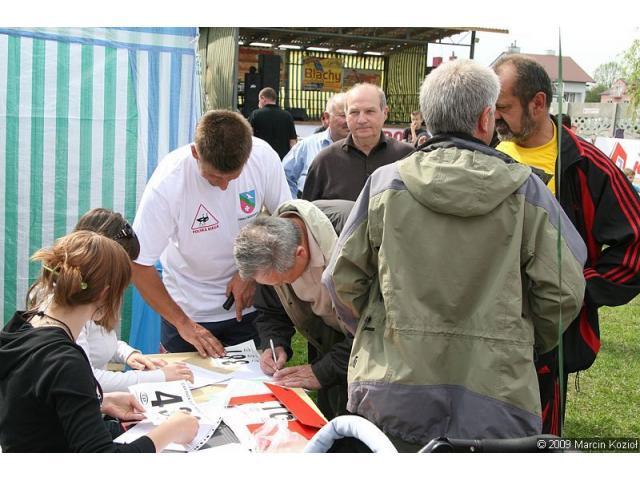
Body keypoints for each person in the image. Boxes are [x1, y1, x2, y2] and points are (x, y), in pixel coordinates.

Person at [322, 59, 587, 452]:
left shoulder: (384, 185)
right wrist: (520, 340)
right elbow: (563, 290)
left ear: (428, 117)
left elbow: (340, 280)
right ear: (485, 118)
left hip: (393, 388)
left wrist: (380, 329)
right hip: (497, 394)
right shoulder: (528, 191)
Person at [493, 54, 640, 435]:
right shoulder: (485, 150)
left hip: (546, 339)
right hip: (484, 328)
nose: (494, 117)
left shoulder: (586, 164)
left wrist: (580, 288)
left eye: (503, 107)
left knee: (538, 439)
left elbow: (636, 240)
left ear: (538, 103)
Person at [0, 231, 198, 452]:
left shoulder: (21, 325)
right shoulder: (65, 361)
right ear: (104, 294)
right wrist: (173, 429)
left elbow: (32, 406)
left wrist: (100, 402)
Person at [132, 110, 291, 358]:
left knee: (254, 380)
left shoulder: (263, 157)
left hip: (248, 308)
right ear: (195, 153)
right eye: (214, 177)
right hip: (187, 311)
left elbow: (287, 219)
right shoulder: (168, 183)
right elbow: (138, 264)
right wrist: (183, 323)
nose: (224, 186)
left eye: (233, 177)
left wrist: (250, 273)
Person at [233, 199, 354, 420]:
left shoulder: (354, 235)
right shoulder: (271, 252)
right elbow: (271, 310)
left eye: (282, 282)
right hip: (332, 336)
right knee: (332, 416)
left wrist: (323, 371)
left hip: (385, 354)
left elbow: (380, 325)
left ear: (300, 253)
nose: (279, 286)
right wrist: (275, 342)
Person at [72, 208, 192, 392]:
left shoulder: (91, 292)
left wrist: (128, 354)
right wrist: (160, 376)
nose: (125, 277)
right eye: (122, 267)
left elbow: (99, 343)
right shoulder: (70, 303)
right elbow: (87, 379)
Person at [302, 83, 415, 202]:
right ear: (346, 115)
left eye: (369, 111)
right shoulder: (325, 161)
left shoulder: (407, 157)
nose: (361, 120)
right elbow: (308, 211)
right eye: (354, 112)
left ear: (385, 113)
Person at [282, 93, 349, 198]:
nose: (349, 120)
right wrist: (294, 203)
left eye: (353, 114)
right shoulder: (307, 146)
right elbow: (284, 176)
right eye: (343, 115)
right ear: (326, 117)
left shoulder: (365, 148)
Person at [249, 87, 298, 160]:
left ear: (263, 98)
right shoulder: (287, 116)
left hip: (260, 158)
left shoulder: (255, 114)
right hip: (281, 159)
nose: (258, 103)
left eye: (259, 100)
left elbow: (248, 137)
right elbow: (292, 142)